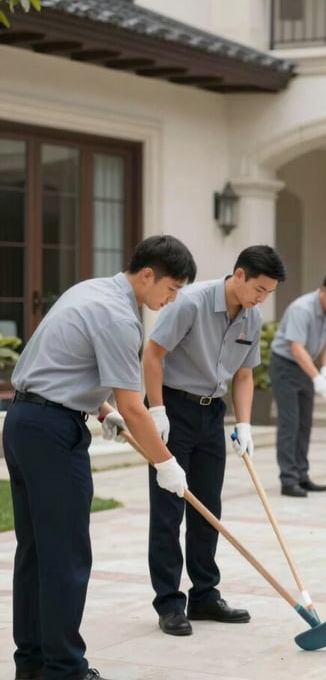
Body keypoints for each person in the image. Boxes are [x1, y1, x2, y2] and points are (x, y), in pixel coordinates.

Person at [3, 235, 196, 680]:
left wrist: (99, 407)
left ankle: (32, 665)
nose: (171, 299)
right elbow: (135, 405)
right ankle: (65, 670)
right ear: (147, 275)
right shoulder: (118, 318)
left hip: (24, 420)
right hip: (52, 433)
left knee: (37, 553)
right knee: (66, 557)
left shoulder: (90, 289)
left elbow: (66, 364)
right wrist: (165, 462)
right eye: (171, 288)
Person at [140, 245, 286, 637]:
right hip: (173, 408)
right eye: (259, 288)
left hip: (211, 414)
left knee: (208, 509)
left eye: (269, 292)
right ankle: (170, 603)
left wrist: (245, 425)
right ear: (239, 275)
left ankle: (204, 595)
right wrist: (157, 411)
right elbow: (152, 355)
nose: (261, 298)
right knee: (170, 509)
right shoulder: (190, 302)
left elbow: (243, 375)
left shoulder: (251, 318)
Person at [270, 272, 326, 497]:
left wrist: (325, 370)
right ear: (323, 290)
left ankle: (302, 475)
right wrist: (316, 377)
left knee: (304, 424)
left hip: (307, 366)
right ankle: (288, 479)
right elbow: (296, 348)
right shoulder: (302, 309)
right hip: (286, 366)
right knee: (290, 423)